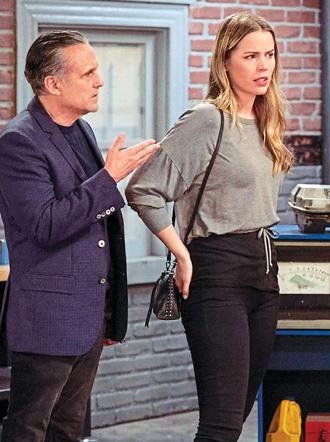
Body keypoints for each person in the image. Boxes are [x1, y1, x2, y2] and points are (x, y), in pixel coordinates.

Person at [126, 12, 293, 442]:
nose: (264, 65)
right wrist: (180, 252)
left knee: (238, 415)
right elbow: (143, 189)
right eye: (251, 56)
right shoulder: (206, 120)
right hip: (216, 273)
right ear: (225, 62)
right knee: (220, 423)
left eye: (270, 54)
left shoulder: (268, 119)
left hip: (264, 270)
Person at [0, 30, 158, 441]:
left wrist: (109, 311)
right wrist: (109, 178)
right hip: (48, 318)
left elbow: (96, 223)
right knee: (28, 428)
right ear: (53, 83)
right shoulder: (18, 141)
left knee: (68, 429)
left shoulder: (80, 129)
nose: (99, 81)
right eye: (87, 73)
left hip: (87, 313)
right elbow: (46, 225)